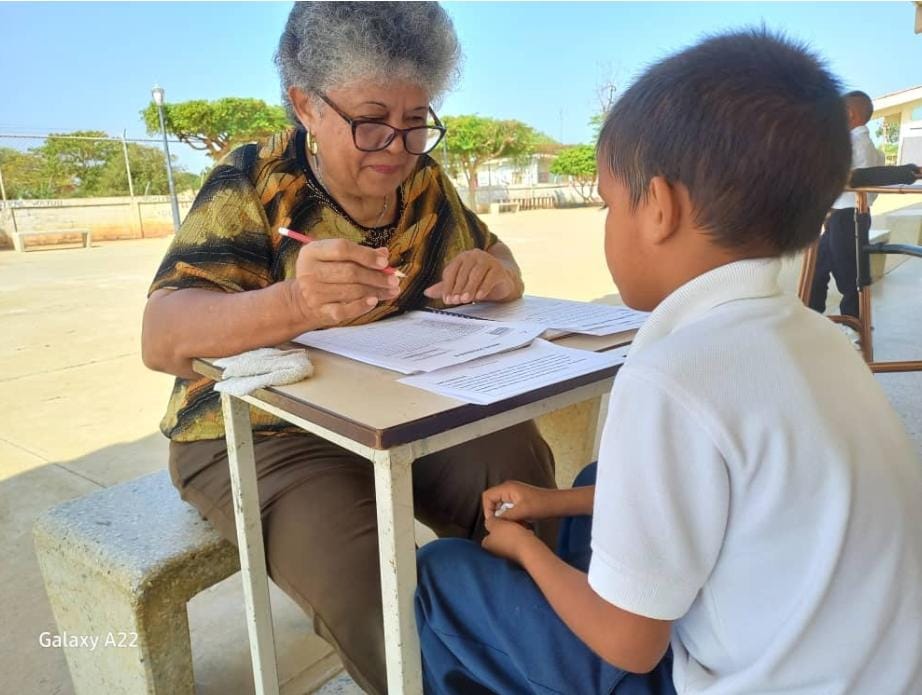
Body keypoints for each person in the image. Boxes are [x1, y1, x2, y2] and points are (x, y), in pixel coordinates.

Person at [415, 30, 922, 694]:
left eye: (607, 201)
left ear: (658, 207)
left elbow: (631, 643)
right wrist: (553, 500)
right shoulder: (821, 338)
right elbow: (734, 495)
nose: (606, 223)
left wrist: (526, 548)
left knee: (445, 571)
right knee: (600, 482)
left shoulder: (671, 376)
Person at [140, 4, 558, 693]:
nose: (396, 147)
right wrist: (293, 304)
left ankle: (553, 659)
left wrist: (500, 271)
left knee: (520, 479)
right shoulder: (252, 180)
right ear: (306, 104)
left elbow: (491, 251)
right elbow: (162, 337)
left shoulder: (422, 181)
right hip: (263, 431)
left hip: (399, 403)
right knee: (375, 599)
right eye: (370, 122)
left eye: (415, 121)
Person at [808, 90, 885, 318]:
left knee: (849, 278)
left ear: (849, 114)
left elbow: (834, 177)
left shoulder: (855, 144)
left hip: (847, 218)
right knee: (817, 269)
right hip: (842, 217)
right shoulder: (867, 145)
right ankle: (812, 316)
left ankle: (853, 326)